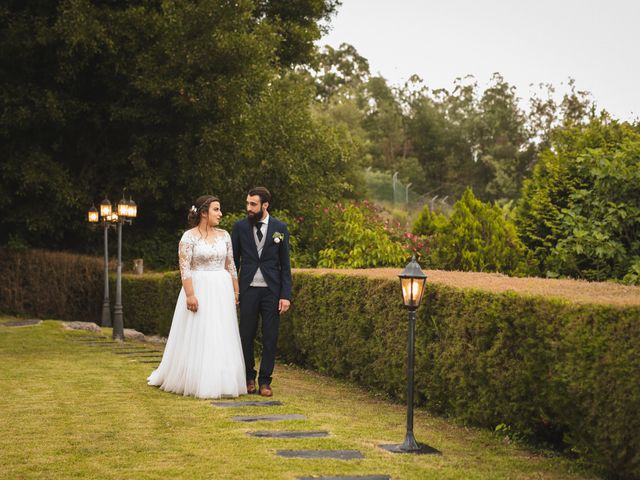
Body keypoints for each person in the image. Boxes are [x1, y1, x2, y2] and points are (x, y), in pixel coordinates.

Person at [148, 195, 247, 399]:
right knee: (200, 332)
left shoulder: (224, 235)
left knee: (221, 332)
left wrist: (236, 290)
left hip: (222, 289)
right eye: (216, 210)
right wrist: (190, 294)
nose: (220, 214)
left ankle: (222, 378)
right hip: (199, 288)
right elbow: (185, 268)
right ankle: (194, 377)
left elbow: (231, 265)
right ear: (203, 212)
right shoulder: (188, 237)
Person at [231, 187, 292, 397]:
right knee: (245, 335)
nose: (249, 208)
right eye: (248, 203)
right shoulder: (239, 227)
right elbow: (232, 263)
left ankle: (265, 381)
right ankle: (248, 377)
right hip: (247, 290)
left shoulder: (279, 228)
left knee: (270, 337)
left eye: (253, 204)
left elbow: (285, 265)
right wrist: (235, 290)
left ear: (265, 205)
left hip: (272, 292)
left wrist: (285, 295)